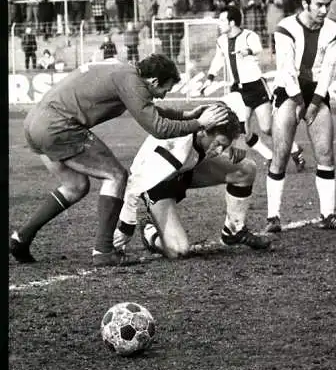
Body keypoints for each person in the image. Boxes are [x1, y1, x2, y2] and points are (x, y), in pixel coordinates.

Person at [9, 54, 229, 266]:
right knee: (115, 175)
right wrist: (200, 123)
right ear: (153, 81)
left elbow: (148, 109)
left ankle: (21, 238)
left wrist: (186, 115)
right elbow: (159, 128)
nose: (162, 94)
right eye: (164, 89)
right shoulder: (131, 81)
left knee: (75, 186)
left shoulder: (124, 72)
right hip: (58, 126)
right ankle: (103, 251)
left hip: (35, 122)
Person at [113, 96, 271, 258]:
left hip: (186, 168)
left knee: (245, 169)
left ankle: (233, 229)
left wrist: (240, 138)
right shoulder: (174, 149)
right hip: (158, 183)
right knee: (178, 250)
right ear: (203, 130)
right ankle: (150, 233)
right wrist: (126, 227)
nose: (219, 151)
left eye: (224, 146)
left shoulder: (206, 123)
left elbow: (235, 99)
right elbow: (135, 183)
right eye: (218, 144)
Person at [265, 0, 336, 233]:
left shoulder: (333, 30)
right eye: (319, 5)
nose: (324, 10)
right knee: (280, 153)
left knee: (325, 154)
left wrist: (314, 103)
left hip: (316, 93)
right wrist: (300, 102)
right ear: (305, 2)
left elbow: (330, 70)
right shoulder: (285, 27)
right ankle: (273, 217)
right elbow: (286, 70)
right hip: (289, 91)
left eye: (327, 5)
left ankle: (328, 214)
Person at [200, 4, 305, 171]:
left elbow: (257, 49)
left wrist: (247, 51)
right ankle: (269, 156)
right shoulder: (221, 41)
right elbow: (218, 60)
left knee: (267, 128)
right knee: (242, 131)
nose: (219, 24)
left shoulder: (249, 35)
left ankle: (295, 150)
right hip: (237, 91)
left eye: (222, 20)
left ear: (232, 22)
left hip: (256, 87)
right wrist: (209, 79)